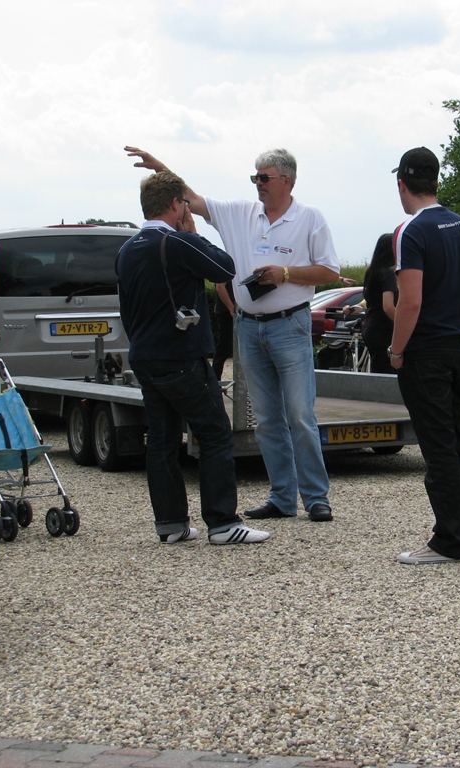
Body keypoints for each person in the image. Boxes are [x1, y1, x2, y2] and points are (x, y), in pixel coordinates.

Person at [125, 146, 340, 523]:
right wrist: (159, 167)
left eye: (264, 177)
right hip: (249, 326)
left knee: (299, 414)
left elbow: (330, 272)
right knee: (267, 418)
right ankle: (282, 497)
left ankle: (315, 497)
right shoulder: (240, 212)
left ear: (287, 181)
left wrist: (285, 274)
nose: (257, 183)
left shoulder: (310, 218)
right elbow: (187, 197)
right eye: (255, 177)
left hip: (290, 324)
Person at [115, 170, 270, 546]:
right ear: (175, 204)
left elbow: (126, 309)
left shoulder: (127, 249)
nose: (187, 209)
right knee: (215, 434)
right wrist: (192, 232)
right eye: (185, 203)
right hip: (181, 356)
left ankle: (171, 524)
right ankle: (222, 523)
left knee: (162, 440)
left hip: (145, 356)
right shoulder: (176, 242)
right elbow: (225, 267)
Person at [386, 147, 460, 564]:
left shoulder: (411, 231)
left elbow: (410, 302)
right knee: (455, 442)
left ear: (401, 184)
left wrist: (396, 350)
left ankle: (448, 540)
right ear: (435, 180)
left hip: (428, 352)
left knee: (438, 447)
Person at [357, 233, 398, 374]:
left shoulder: (372, 272)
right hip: (384, 329)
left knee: (378, 368)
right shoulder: (388, 275)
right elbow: (388, 307)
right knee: (387, 372)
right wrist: (404, 324)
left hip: (371, 326)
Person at [211, 280, 236, 381]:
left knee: (224, 349)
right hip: (226, 312)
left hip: (229, 310)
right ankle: (214, 381)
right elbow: (220, 287)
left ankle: (214, 380)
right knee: (223, 349)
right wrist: (231, 308)